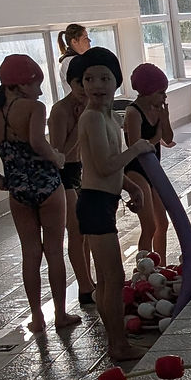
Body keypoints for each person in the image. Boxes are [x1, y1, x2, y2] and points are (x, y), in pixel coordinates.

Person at [0, 54, 80, 334]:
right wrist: (56, 157)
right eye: (36, 84)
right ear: (21, 84)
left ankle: (37, 318)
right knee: (54, 251)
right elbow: (36, 142)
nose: (40, 91)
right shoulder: (34, 107)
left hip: (17, 189)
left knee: (30, 253)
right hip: (47, 184)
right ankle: (60, 314)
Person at [75, 47, 152, 362]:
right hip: (94, 204)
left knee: (109, 279)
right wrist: (137, 148)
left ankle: (117, 341)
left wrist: (132, 187)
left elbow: (112, 168)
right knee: (113, 278)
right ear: (81, 84)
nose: (96, 85)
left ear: (116, 81)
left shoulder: (111, 116)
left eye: (104, 78)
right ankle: (118, 345)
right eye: (89, 79)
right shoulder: (92, 118)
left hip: (104, 201)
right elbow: (105, 166)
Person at [47, 55, 96, 304]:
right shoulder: (60, 111)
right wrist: (80, 123)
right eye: (80, 83)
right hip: (62, 174)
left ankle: (88, 281)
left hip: (79, 170)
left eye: (88, 82)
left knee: (85, 231)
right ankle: (85, 287)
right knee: (76, 231)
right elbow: (59, 156)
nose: (85, 88)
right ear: (71, 83)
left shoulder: (88, 106)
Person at [124, 62, 175, 262]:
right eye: (161, 92)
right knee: (149, 226)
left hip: (153, 168)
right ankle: (144, 268)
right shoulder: (133, 112)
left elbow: (168, 138)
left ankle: (160, 266)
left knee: (163, 223)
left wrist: (165, 119)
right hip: (136, 170)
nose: (164, 97)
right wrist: (157, 137)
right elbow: (135, 146)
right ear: (148, 90)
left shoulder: (158, 109)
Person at [57, 22, 90, 94]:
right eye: (85, 38)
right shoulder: (69, 62)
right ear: (74, 42)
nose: (89, 41)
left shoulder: (80, 59)